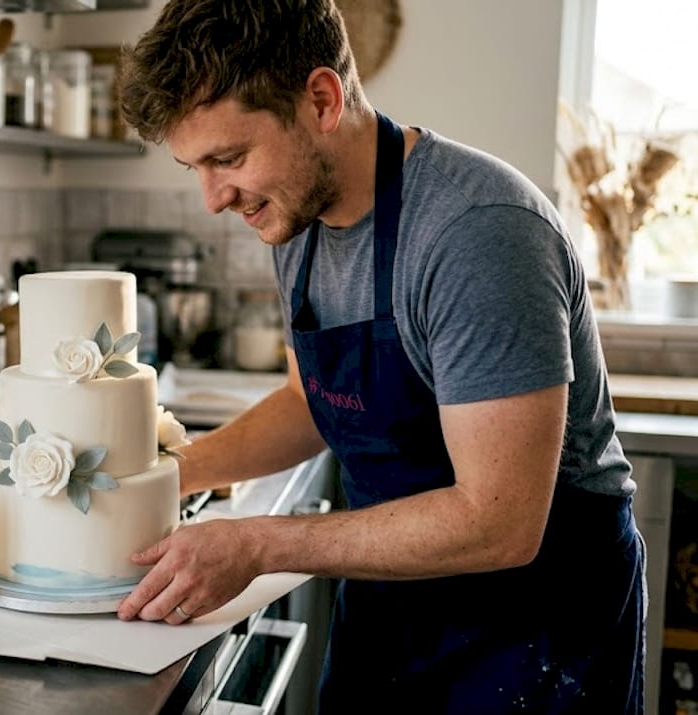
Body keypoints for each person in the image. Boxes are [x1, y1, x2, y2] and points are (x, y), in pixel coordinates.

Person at [112, 1, 645, 712]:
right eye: (195, 167)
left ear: (323, 100)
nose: (213, 198)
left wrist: (259, 544)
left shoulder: (476, 234)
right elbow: (311, 402)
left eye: (228, 158)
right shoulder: (293, 219)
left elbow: (501, 521)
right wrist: (177, 471)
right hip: (392, 609)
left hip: (535, 628)